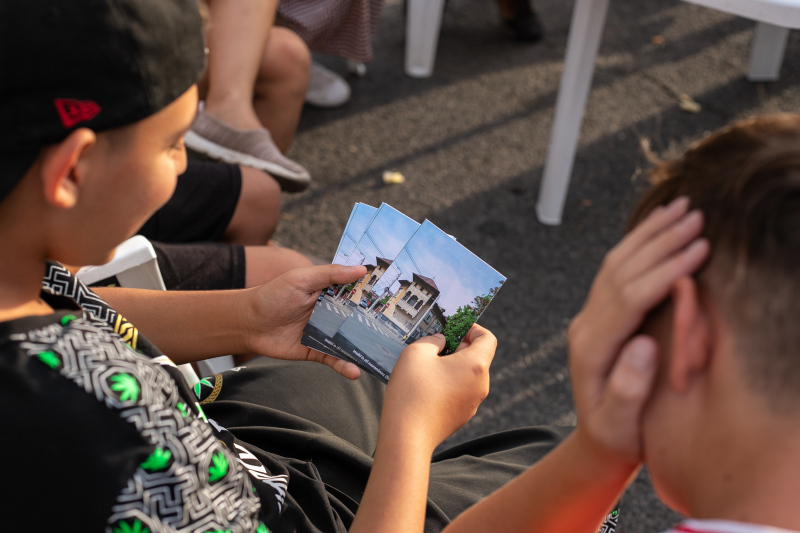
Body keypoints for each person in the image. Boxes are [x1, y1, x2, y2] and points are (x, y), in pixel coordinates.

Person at [0, 1, 608, 531]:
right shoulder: (98, 425)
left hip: (225, 453)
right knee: (563, 475)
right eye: (171, 143)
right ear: (72, 171)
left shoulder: (19, 276)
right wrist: (413, 435)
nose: (183, 167)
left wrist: (248, 318)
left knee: (362, 367)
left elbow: (72, 309)